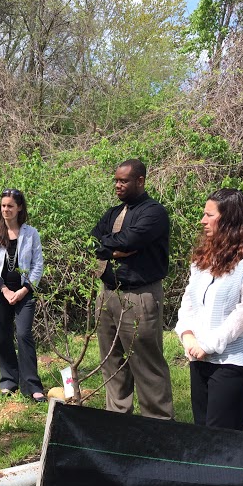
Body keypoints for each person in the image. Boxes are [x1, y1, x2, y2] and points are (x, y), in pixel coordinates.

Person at [175, 189, 243, 430]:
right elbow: (190, 300)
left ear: (230, 219)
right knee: (203, 435)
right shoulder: (206, 256)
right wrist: (188, 334)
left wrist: (207, 345)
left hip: (234, 364)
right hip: (198, 358)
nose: (203, 221)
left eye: (209, 215)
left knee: (224, 440)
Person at [91, 158, 174, 419]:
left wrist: (117, 245)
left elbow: (131, 238)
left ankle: (158, 424)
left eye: (123, 181)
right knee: (111, 362)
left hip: (139, 297)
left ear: (140, 181)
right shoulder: (113, 213)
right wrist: (116, 248)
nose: (117, 185)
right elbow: (93, 240)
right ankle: (117, 422)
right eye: (116, 180)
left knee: (146, 363)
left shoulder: (153, 212)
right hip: (107, 295)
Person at [0, 188, 46, 402]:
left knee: (24, 334)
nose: (6, 209)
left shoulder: (31, 233)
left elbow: (38, 265)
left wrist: (24, 290)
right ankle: (8, 381)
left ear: (19, 207)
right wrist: (5, 289)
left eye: (10, 205)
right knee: (4, 336)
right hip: (1, 293)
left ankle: (32, 385)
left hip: (24, 292)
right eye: (3, 206)